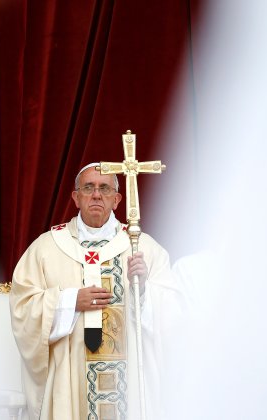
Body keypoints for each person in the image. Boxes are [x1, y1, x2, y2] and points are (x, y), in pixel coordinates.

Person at [10, 162, 176, 420]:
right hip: (71, 379)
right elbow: (22, 308)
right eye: (88, 188)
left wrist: (143, 291)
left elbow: (173, 316)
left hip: (128, 382)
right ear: (76, 197)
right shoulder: (46, 248)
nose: (97, 194)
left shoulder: (142, 248)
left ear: (117, 199)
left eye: (105, 189)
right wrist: (69, 301)